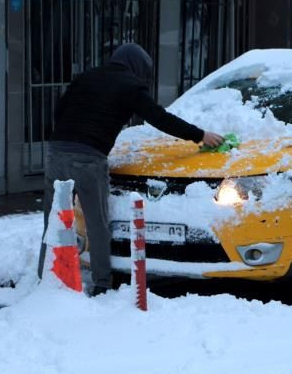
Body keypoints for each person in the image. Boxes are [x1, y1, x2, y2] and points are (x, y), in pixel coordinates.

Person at [37, 43, 223, 296]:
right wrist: (199, 135)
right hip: (88, 157)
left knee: (53, 219)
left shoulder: (86, 76)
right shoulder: (130, 85)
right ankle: (102, 282)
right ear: (137, 68)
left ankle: (45, 278)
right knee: (96, 222)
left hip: (56, 151)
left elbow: (59, 111)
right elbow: (159, 118)